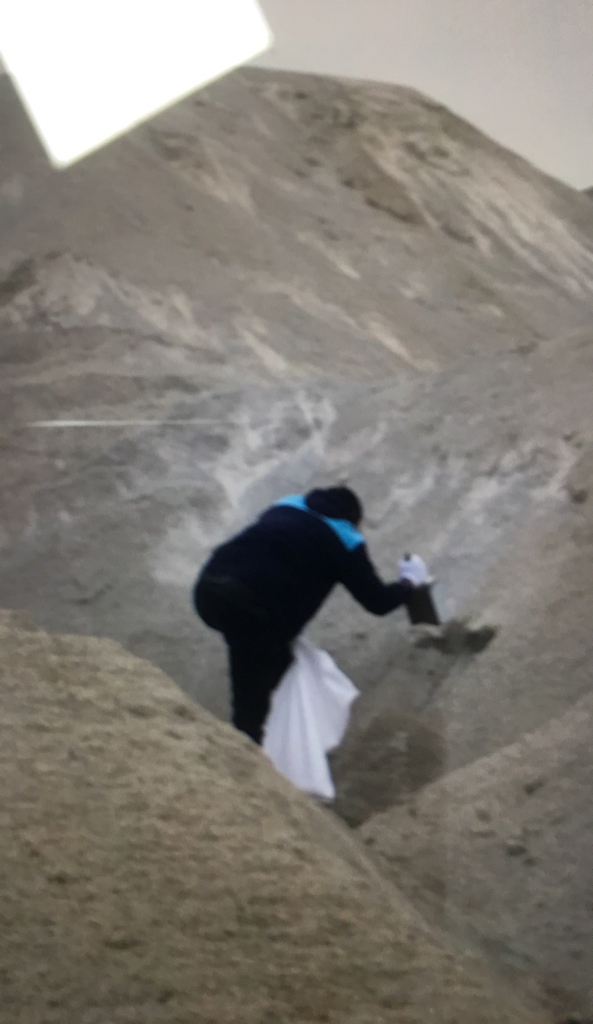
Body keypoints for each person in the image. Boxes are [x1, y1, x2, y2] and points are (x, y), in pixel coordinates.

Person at [193, 486, 415, 745]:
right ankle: (249, 747)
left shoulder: (287, 505)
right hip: (251, 607)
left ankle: (270, 736)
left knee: (274, 660)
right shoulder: (346, 539)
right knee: (251, 694)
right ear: (352, 520)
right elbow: (378, 602)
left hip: (207, 588)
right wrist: (408, 585)